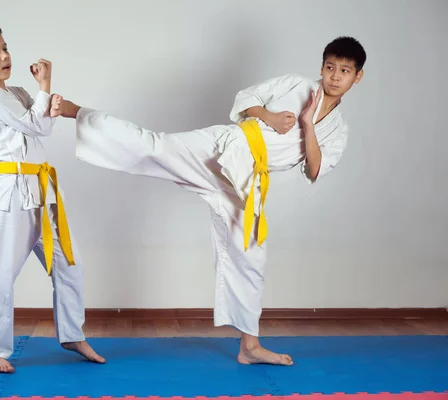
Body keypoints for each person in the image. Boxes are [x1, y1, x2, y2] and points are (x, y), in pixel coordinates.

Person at [51, 36, 366, 366]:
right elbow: (245, 100)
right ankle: (76, 111)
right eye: (330, 67)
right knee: (153, 147)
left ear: (356, 76)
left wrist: (306, 125)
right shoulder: (297, 85)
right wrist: (269, 117)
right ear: (321, 67)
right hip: (225, 147)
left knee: (251, 256)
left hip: (247, 180)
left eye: (344, 70)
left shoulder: (338, 130)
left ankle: (250, 346)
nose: (334, 76)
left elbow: (314, 169)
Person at [0, 22, 105, 373]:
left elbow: (43, 126)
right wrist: (45, 89)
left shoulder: (17, 92)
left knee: (70, 263)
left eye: (5, 48)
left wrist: (47, 103)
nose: (5, 56)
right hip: (12, 193)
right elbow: (37, 125)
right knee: (2, 274)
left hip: (43, 190)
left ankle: (72, 334)